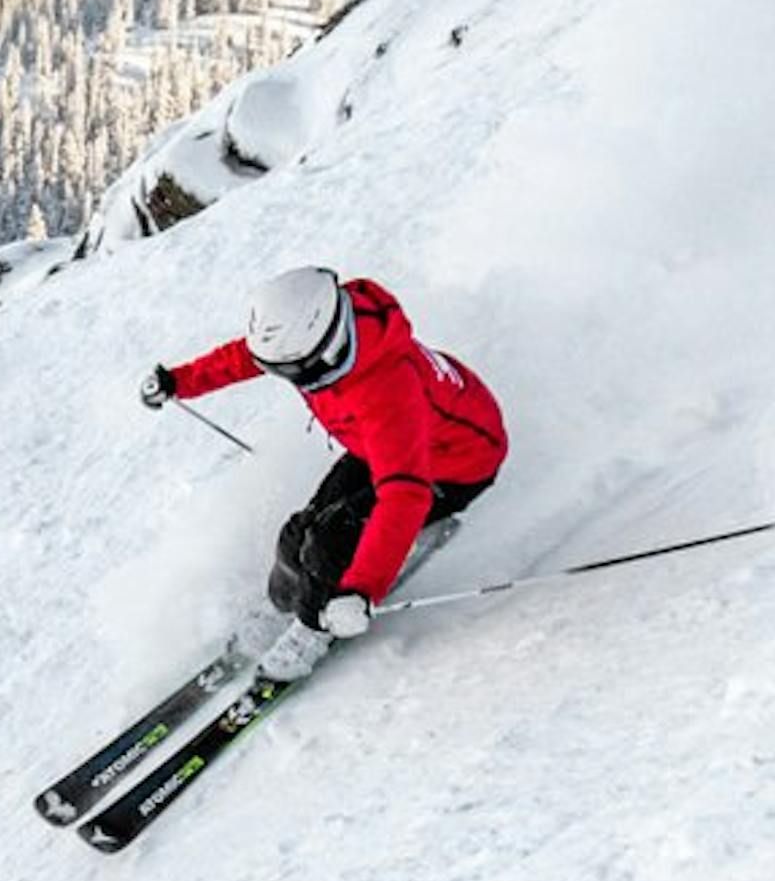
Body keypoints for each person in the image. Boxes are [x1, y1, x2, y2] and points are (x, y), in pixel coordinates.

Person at [142, 266, 508, 681]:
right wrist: (179, 381)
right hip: (374, 447)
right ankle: (284, 605)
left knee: (329, 544)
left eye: (294, 372)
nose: (290, 381)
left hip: (453, 463)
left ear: (329, 350)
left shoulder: (387, 391)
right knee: (298, 533)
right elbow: (245, 357)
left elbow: (405, 496)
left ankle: (312, 627)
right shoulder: (309, 339)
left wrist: (361, 589)